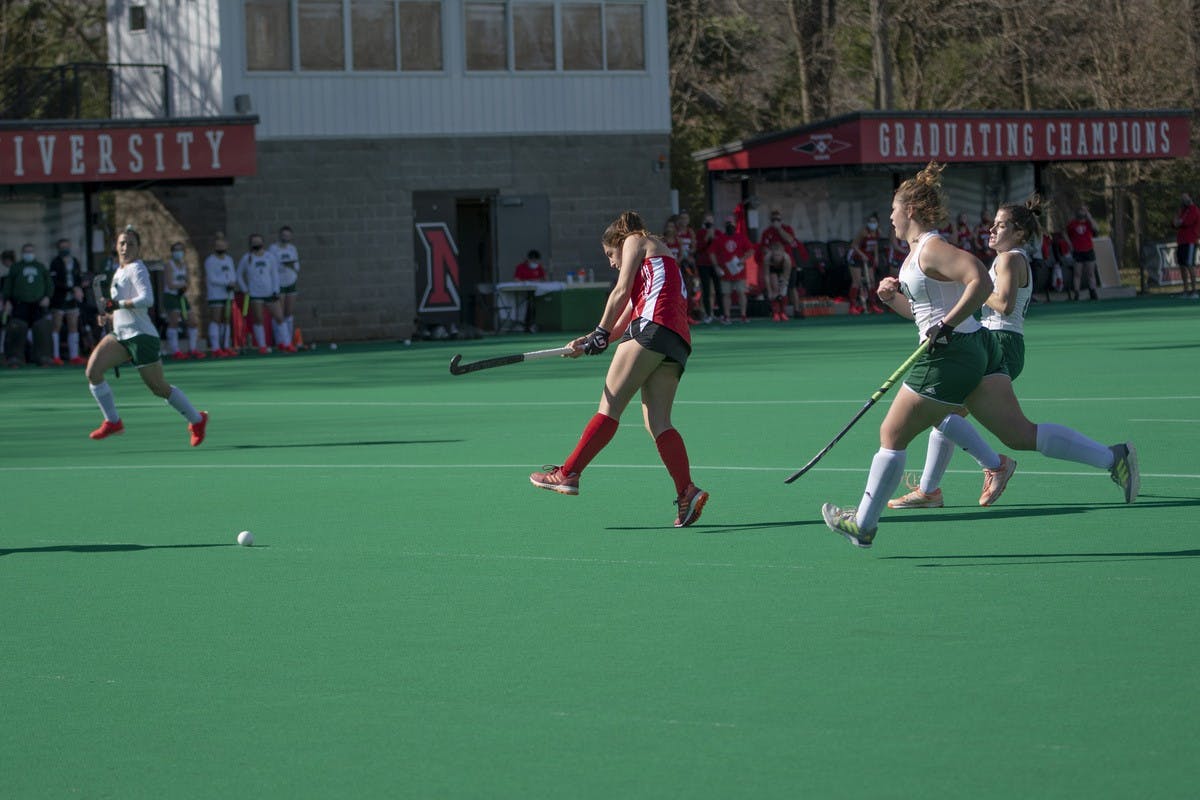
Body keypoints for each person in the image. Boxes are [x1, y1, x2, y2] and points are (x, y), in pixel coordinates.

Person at [820, 163, 1139, 549]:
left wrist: (948, 325)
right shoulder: (915, 254)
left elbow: (981, 280)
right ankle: (1113, 458)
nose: (889, 218)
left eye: (893, 211)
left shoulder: (933, 247)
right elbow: (925, 316)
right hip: (973, 347)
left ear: (910, 212)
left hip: (953, 353)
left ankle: (865, 525)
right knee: (1020, 434)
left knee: (892, 433)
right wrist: (893, 299)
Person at [529, 210, 708, 528]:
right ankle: (687, 491)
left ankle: (568, 473)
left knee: (609, 407)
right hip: (675, 339)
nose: (612, 262)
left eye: (610, 254)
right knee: (659, 423)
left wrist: (600, 331)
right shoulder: (655, 261)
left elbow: (620, 290)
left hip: (652, 327)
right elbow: (626, 313)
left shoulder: (636, 240)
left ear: (618, 241)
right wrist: (590, 340)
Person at [887, 196, 1038, 510]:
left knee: (946, 414)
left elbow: (1004, 302)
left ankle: (994, 466)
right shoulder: (1007, 259)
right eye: (993, 224)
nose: (992, 230)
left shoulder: (1009, 259)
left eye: (1001, 225)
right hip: (989, 340)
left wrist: (977, 291)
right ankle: (931, 490)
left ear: (1019, 232)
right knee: (944, 415)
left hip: (998, 342)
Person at [84, 226, 208, 446]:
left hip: (142, 337)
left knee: (159, 388)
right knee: (93, 371)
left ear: (138, 248)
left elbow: (147, 299)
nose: (125, 247)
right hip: (121, 335)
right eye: (122, 243)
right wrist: (110, 316)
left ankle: (197, 420)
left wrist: (116, 304)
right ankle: (113, 421)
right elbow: (124, 308)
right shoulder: (119, 271)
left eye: (130, 244)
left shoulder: (137, 269)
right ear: (116, 246)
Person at [2, 243, 54, 367]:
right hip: (20, 303)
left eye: (31, 251)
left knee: (41, 329)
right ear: (22, 253)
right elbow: (8, 285)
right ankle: (15, 358)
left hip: (38, 303)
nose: (28, 254)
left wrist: (47, 296)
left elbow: (49, 284)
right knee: (17, 329)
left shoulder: (40, 267)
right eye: (26, 251)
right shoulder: (16, 267)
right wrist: (7, 300)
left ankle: (43, 357)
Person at [237, 233, 283, 354]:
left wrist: (276, 290)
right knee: (258, 319)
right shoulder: (246, 258)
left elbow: (275, 274)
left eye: (259, 242)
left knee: (279, 317)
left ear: (263, 243)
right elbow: (239, 275)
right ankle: (262, 346)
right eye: (254, 242)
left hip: (270, 293)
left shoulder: (270, 257)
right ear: (251, 244)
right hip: (255, 294)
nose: (257, 244)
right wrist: (244, 289)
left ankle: (285, 343)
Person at [161, 241, 204, 360]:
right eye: (175, 250)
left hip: (181, 296)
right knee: (174, 322)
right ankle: (176, 351)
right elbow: (169, 284)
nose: (178, 252)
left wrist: (184, 287)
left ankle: (193, 349)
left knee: (193, 322)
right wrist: (180, 286)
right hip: (171, 296)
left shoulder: (185, 265)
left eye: (180, 250)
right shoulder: (169, 265)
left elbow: (188, 282)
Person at [48, 238, 86, 365]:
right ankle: (55, 356)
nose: (65, 249)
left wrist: (79, 288)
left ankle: (74, 356)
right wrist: (71, 289)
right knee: (56, 326)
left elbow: (78, 278)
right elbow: (54, 282)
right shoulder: (55, 263)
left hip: (72, 300)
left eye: (67, 247)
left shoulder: (74, 261)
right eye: (62, 247)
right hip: (59, 299)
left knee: (73, 326)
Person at [711, 215, 755, 323]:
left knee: (741, 293)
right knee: (726, 294)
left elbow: (750, 250)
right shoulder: (720, 239)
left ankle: (743, 315)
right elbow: (711, 253)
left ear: (735, 224)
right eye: (728, 224)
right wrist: (716, 266)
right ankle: (727, 316)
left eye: (731, 224)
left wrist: (742, 259)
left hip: (739, 270)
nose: (730, 226)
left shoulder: (741, 237)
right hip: (726, 271)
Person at [204, 233, 238, 356]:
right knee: (216, 319)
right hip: (216, 294)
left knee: (226, 320)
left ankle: (226, 346)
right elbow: (212, 278)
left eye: (222, 244)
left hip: (228, 294)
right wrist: (226, 283)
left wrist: (233, 283)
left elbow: (233, 274)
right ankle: (215, 348)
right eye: (218, 245)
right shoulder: (210, 260)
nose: (220, 247)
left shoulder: (229, 259)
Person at [269, 225, 301, 350]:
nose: (285, 237)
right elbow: (272, 266)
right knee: (279, 314)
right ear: (279, 235)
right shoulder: (273, 248)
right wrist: (283, 265)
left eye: (288, 235)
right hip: (279, 284)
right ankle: (279, 341)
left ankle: (289, 340)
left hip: (291, 282)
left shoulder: (292, 248)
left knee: (288, 313)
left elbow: (297, 266)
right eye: (283, 235)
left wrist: (292, 266)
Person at [848, 213, 885, 314]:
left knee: (871, 281)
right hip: (855, 257)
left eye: (874, 222)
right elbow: (854, 245)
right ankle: (852, 305)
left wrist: (876, 257)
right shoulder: (863, 232)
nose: (872, 224)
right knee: (857, 281)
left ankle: (873, 305)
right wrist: (862, 255)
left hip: (867, 258)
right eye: (870, 222)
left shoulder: (878, 232)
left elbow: (875, 245)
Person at [1065, 205, 1100, 300]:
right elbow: (1066, 233)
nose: (1082, 212)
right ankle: (1076, 293)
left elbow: (1096, 229)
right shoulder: (1073, 224)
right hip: (1077, 251)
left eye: (1084, 210)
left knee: (1091, 273)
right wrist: (1070, 245)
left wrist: (1089, 216)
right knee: (1077, 273)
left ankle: (1093, 291)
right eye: (1081, 210)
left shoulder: (1089, 223)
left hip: (1088, 250)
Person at [693, 211, 722, 323]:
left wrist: (713, 236)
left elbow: (719, 247)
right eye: (707, 220)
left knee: (718, 289)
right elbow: (699, 247)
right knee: (706, 290)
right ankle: (708, 313)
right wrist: (706, 237)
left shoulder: (717, 232)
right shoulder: (700, 233)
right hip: (703, 264)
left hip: (715, 264)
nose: (709, 222)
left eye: (711, 220)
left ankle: (720, 313)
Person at [512, 248, 547, 332]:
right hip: (523, 292)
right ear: (528, 259)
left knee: (534, 305)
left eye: (536, 260)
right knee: (526, 304)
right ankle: (525, 324)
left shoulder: (539, 267)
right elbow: (516, 279)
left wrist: (537, 280)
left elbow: (544, 279)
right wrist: (527, 281)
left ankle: (533, 324)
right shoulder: (521, 267)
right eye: (533, 260)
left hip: (536, 292)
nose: (534, 262)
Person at [1171, 192, 1198, 298]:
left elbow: (1185, 223)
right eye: (1182, 198)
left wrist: (1178, 222)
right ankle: (1186, 290)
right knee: (1182, 265)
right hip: (1181, 241)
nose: (1183, 200)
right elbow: (1174, 223)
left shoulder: (1194, 210)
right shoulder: (1182, 211)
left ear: (1190, 198)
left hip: (1190, 241)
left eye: (1185, 197)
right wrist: (1177, 219)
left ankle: (1194, 291)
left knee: (1189, 264)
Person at [761, 239, 793, 321]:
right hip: (773, 270)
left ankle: (783, 312)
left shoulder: (787, 260)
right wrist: (769, 291)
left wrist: (783, 286)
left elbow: (786, 276)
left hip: (783, 270)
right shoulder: (767, 258)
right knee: (774, 289)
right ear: (772, 253)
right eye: (775, 255)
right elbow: (766, 276)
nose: (777, 257)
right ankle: (775, 313)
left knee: (783, 292)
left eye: (779, 255)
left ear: (782, 253)